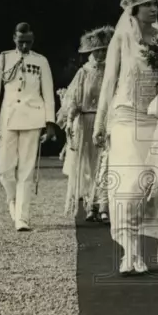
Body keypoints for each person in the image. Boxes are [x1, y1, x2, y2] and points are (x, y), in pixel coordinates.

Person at [92, 0, 158, 276]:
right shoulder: (122, 37)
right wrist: (100, 123)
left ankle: (138, 247)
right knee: (127, 188)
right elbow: (108, 82)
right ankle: (131, 253)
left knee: (149, 185)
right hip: (125, 116)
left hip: (154, 118)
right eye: (148, 5)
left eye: (156, 3)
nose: (154, 9)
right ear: (135, 10)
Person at [0, 22, 56, 232]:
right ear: (14, 39)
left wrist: (50, 123)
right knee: (3, 167)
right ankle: (12, 200)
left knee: (26, 171)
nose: (25, 46)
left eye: (28, 42)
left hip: (33, 118)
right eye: (21, 41)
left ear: (33, 40)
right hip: (8, 119)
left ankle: (22, 218)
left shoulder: (41, 61)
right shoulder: (4, 58)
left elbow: (48, 93)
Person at [58, 25, 113, 223]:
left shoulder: (112, 71)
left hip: (105, 121)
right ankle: (90, 204)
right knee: (88, 165)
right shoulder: (84, 72)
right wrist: (70, 115)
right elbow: (72, 98)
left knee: (105, 163)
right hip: (86, 121)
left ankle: (103, 205)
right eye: (96, 50)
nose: (100, 54)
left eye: (104, 50)